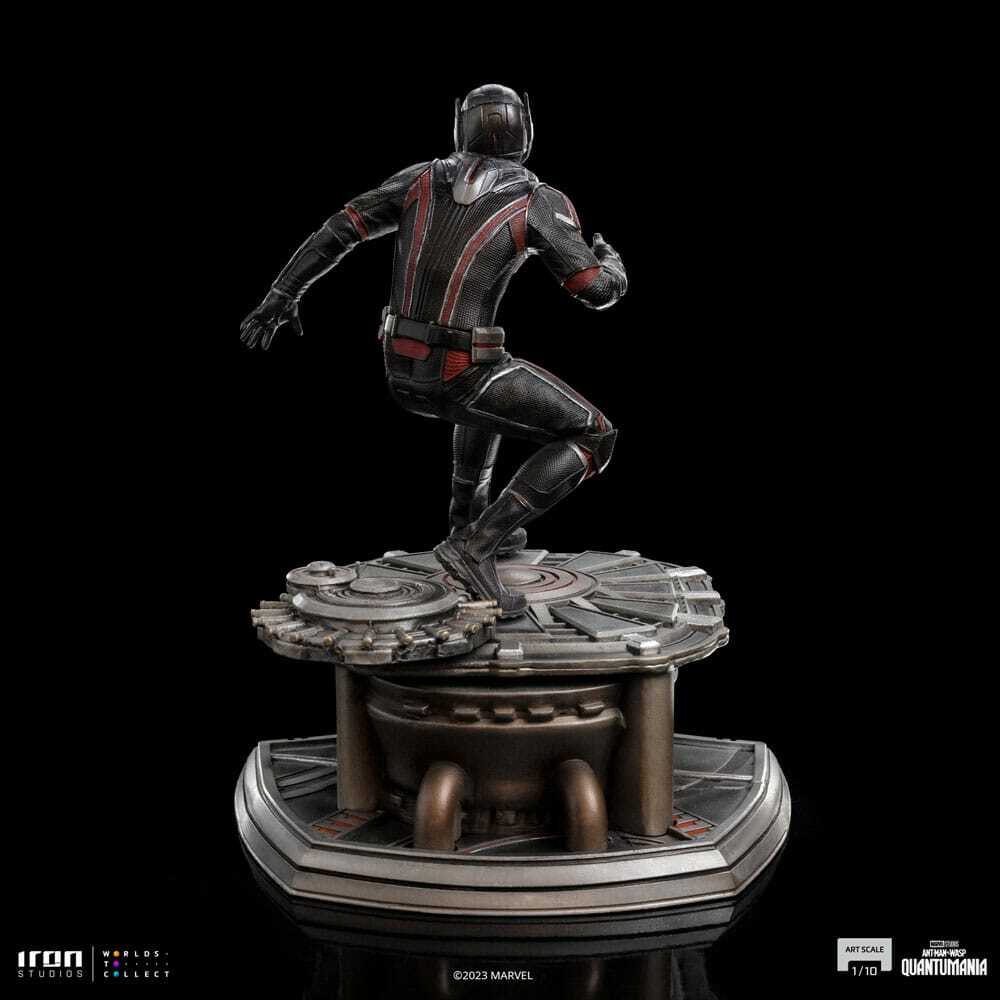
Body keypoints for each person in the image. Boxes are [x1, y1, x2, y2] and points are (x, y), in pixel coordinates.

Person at [241, 85, 627, 616]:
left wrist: (281, 297)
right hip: (458, 373)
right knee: (594, 434)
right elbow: (594, 290)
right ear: (526, 130)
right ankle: (477, 544)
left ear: (461, 125)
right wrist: (614, 264)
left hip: (401, 370)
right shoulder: (536, 200)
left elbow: (338, 231)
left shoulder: (419, 179)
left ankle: (466, 518)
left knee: (491, 391)